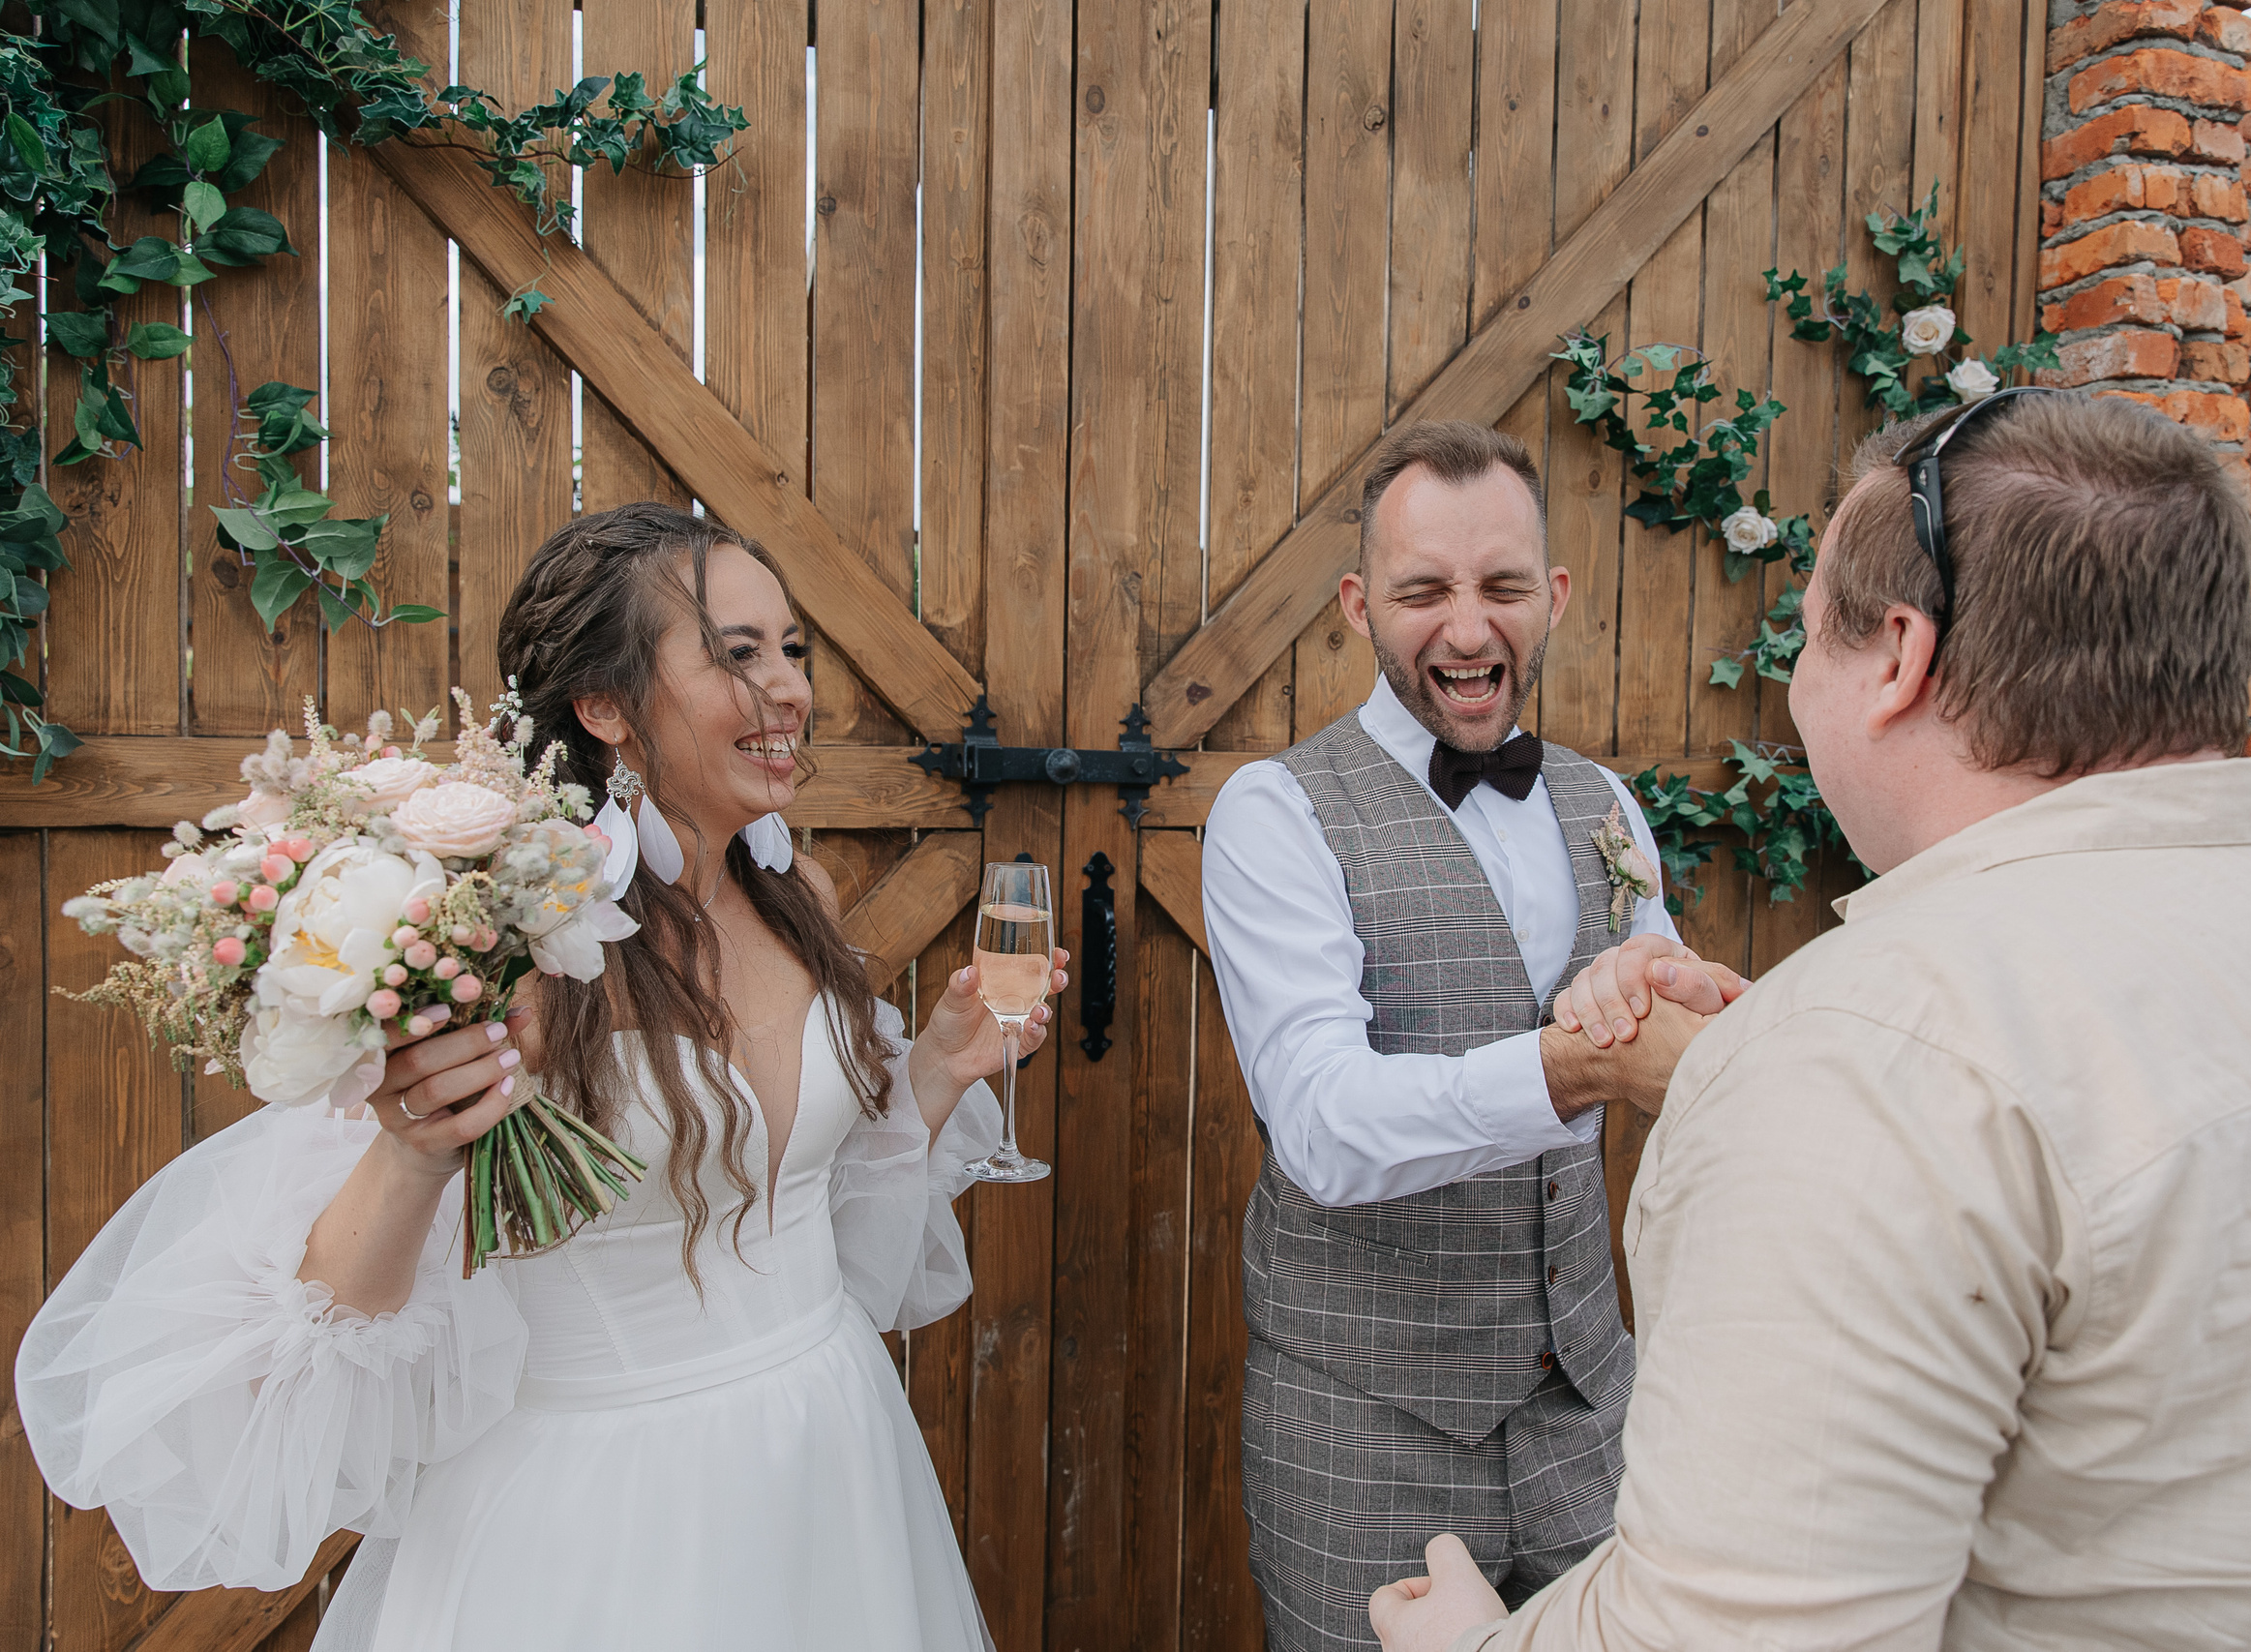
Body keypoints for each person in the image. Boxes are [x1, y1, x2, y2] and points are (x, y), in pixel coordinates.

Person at [1369, 388, 2251, 1651]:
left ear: (1897, 655)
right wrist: (1745, 1060)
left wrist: (1467, 1642)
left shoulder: (1867, 1057)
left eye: (1808, 632)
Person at [15, 503, 1069, 1651]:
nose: (787, 690)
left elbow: (821, 1223)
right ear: (604, 706)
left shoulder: (796, 902)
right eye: (735, 653)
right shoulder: (509, 954)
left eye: (790, 649)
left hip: (830, 1456)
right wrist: (415, 1144)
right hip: (604, 1515)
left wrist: (936, 1068)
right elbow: (331, 1310)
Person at [1201, 420, 1734, 1652]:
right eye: (1422, 592)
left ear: (1549, 597)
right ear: (1356, 605)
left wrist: (1660, 980)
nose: (1466, 628)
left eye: (1500, 588)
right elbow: (1326, 1130)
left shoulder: (1607, 805)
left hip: (1594, 1414)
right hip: (1367, 1427)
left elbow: (1640, 991)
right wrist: (1568, 1066)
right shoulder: (1274, 815)